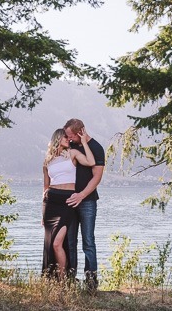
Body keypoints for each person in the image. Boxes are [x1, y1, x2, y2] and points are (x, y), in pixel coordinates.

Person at [42, 127, 95, 279]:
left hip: (67, 201)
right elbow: (45, 187)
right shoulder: (47, 161)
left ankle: (63, 280)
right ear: (58, 138)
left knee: (57, 243)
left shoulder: (72, 153)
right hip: (50, 202)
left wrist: (84, 142)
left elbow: (91, 161)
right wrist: (42, 213)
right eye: (65, 137)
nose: (69, 139)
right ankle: (55, 281)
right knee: (50, 243)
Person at [64, 118, 105, 291]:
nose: (69, 139)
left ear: (80, 132)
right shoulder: (70, 147)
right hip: (69, 201)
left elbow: (97, 177)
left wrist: (81, 195)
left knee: (88, 241)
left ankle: (91, 282)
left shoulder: (96, 148)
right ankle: (70, 280)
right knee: (70, 242)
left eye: (70, 135)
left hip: (87, 201)